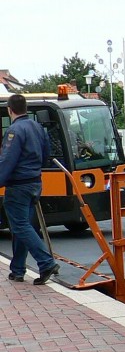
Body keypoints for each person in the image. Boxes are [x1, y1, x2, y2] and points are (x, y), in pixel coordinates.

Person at [0, 94, 59, 284]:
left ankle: (46, 262)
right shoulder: (37, 127)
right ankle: (17, 269)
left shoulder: (14, 131)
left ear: (10, 110)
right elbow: (46, 154)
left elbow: (7, 160)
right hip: (35, 182)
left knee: (20, 226)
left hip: (18, 186)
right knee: (23, 225)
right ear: (25, 108)